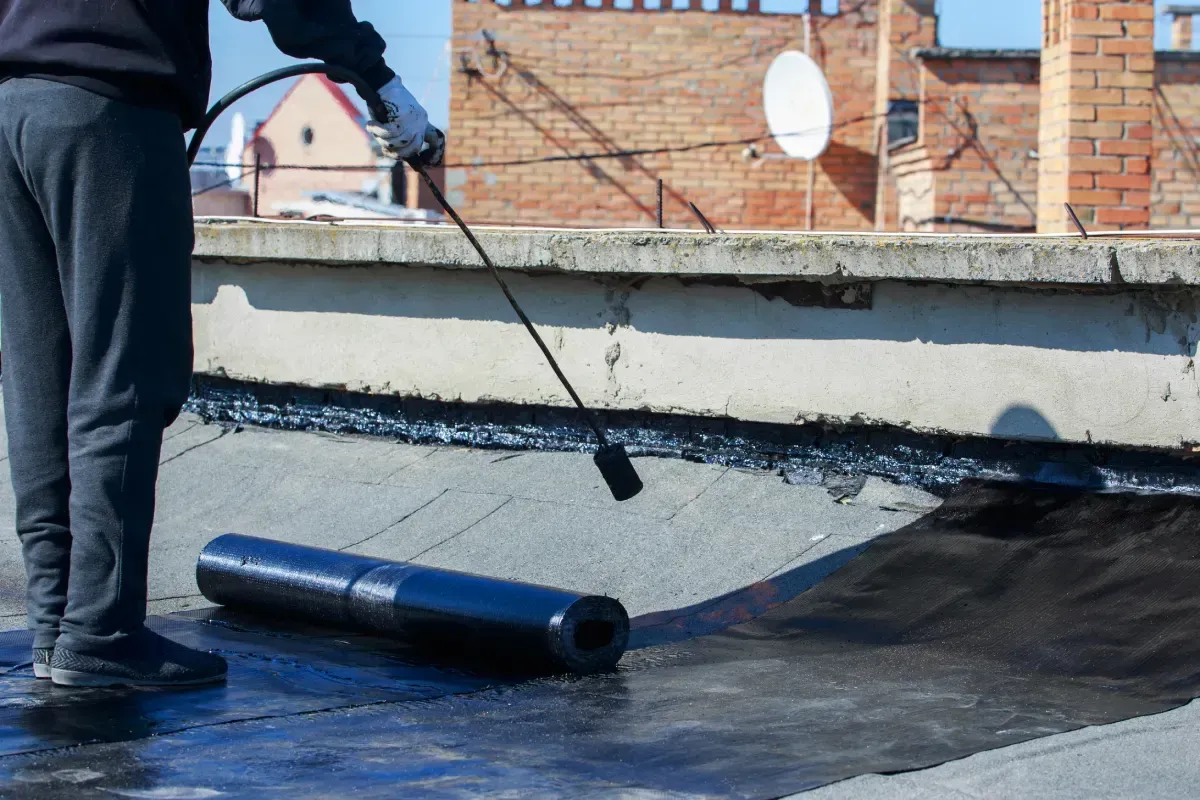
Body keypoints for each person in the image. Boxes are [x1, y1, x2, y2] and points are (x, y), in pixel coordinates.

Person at [0, 0, 443, 687]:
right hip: (108, 113)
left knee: (40, 382)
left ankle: (57, 627)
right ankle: (98, 634)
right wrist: (376, 75)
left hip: (13, 113)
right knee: (125, 378)